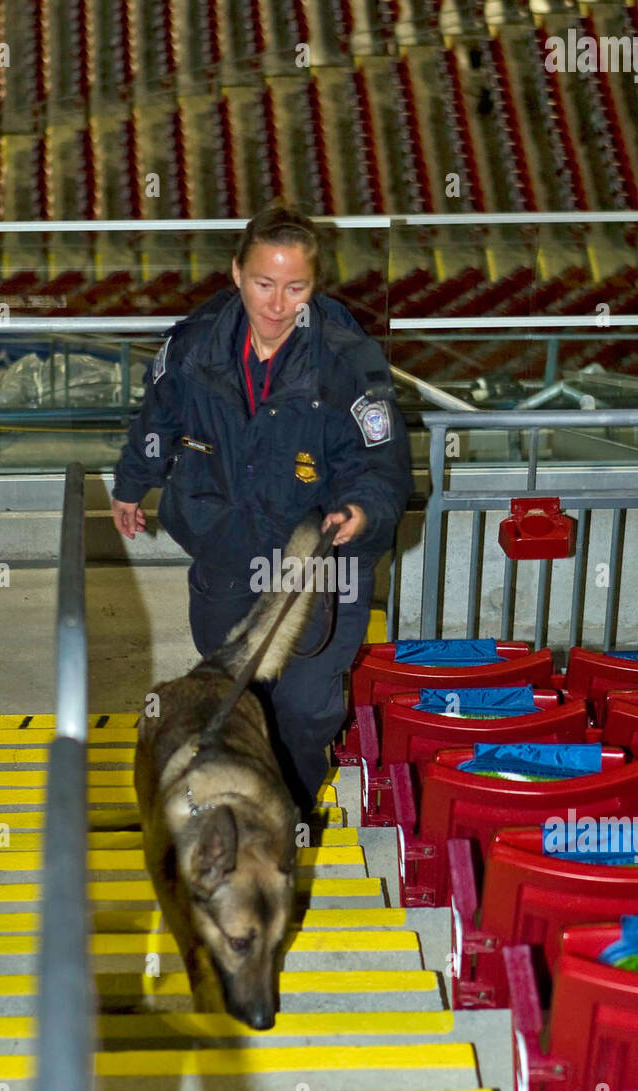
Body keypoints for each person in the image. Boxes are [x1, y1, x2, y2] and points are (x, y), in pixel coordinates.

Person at [111, 201, 412, 820]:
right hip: (225, 555)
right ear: (236, 274)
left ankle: (288, 823)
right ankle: (238, 816)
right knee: (233, 703)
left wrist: (360, 512)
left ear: (314, 285)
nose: (277, 305)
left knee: (304, 711)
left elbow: (381, 468)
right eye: (263, 284)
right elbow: (158, 419)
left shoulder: (349, 363)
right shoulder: (193, 345)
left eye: (295, 287)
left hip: (317, 571)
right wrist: (131, 482)